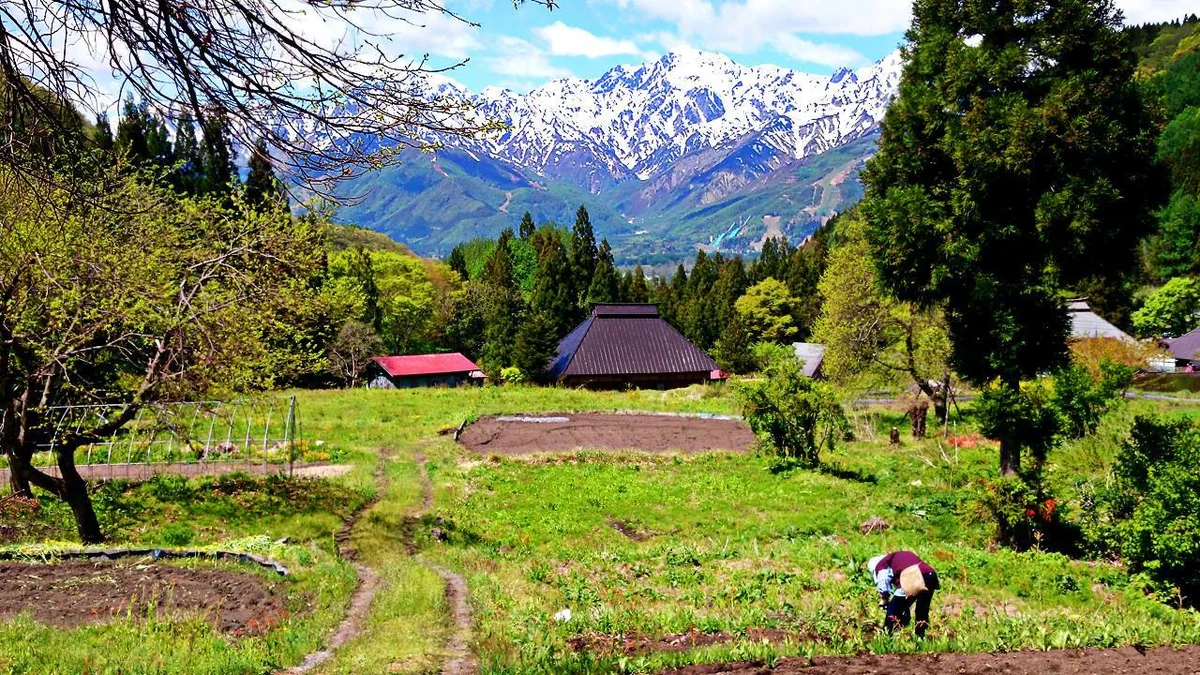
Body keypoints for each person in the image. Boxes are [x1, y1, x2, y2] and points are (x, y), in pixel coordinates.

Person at [867, 550, 940, 638]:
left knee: (893, 609)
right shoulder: (900, 555)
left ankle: (886, 637)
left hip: (913, 577)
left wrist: (884, 599)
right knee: (922, 609)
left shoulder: (881, 564)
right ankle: (920, 637)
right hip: (930, 575)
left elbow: (883, 580)